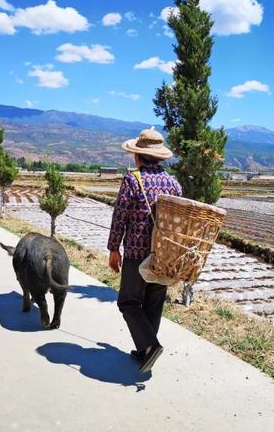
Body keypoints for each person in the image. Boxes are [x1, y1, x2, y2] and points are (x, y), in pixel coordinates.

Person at [107, 126, 182, 373]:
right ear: (160, 157)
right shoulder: (174, 184)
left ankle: (150, 345)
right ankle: (144, 352)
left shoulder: (133, 179)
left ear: (137, 156)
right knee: (153, 304)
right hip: (163, 255)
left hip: (137, 254)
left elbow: (120, 216)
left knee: (128, 302)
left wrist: (114, 248)